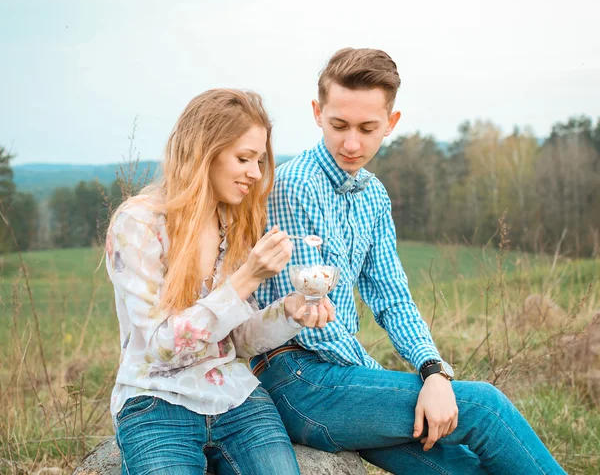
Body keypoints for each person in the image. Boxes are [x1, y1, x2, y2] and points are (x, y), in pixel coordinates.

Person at [254, 48, 566, 475]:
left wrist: (432, 372)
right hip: (298, 379)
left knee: (461, 466)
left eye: (367, 128)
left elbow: (392, 297)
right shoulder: (295, 186)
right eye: (338, 125)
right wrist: (383, 380)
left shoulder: (374, 195)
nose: (351, 143)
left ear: (391, 124)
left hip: (341, 383)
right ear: (316, 112)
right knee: (485, 408)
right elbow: (314, 319)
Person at [105, 89, 335, 475]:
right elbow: (162, 348)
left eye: (260, 161)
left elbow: (237, 340)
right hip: (156, 402)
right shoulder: (139, 224)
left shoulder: (235, 223)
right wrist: (247, 277)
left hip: (236, 398)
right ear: (203, 153)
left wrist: (289, 312)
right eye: (244, 158)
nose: (256, 174)